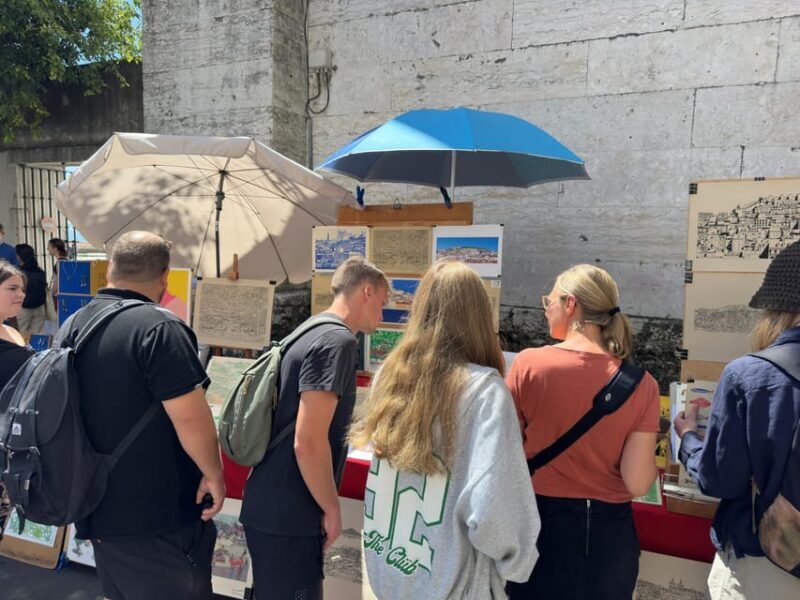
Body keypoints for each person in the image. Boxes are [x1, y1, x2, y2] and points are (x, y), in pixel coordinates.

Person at [350, 260, 540, 599]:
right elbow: (494, 511)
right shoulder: (485, 392)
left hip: (393, 576)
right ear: (480, 315)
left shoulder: (388, 378)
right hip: (453, 585)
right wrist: (517, 563)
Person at [57, 231, 225, 600]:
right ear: (165, 276)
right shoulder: (160, 329)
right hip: (158, 514)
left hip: (95, 504)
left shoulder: (73, 326)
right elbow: (192, 419)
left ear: (110, 271)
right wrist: (214, 474)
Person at [506, 264, 660, 599]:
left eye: (550, 300)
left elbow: (509, 456)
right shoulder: (642, 385)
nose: (546, 308)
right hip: (610, 536)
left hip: (538, 526)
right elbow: (637, 482)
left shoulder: (528, 365)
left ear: (571, 304)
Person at [240, 256, 388, 600]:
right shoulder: (338, 342)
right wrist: (332, 508)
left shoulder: (309, 329)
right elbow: (307, 441)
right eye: (382, 303)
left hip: (272, 503)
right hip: (289, 512)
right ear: (366, 291)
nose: (382, 316)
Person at [674, 240, 800, 599]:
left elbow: (720, 480)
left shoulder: (750, 375)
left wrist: (687, 440)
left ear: (777, 310)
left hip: (768, 561)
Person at [0, 262, 35, 534]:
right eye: (12, 288)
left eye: (21, 289)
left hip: (11, 446)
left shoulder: (11, 330)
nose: (20, 295)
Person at [14, 244, 47, 334]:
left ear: (20, 257)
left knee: (22, 336)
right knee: (37, 337)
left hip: (24, 309)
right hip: (40, 308)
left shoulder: (18, 273)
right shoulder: (40, 271)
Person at [47, 237, 68, 302]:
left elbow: (57, 281)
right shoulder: (66, 261)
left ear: (55, 249)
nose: (47, 249)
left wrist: (50, 294)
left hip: (58, 296)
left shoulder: (59, 263)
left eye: (49, 247)